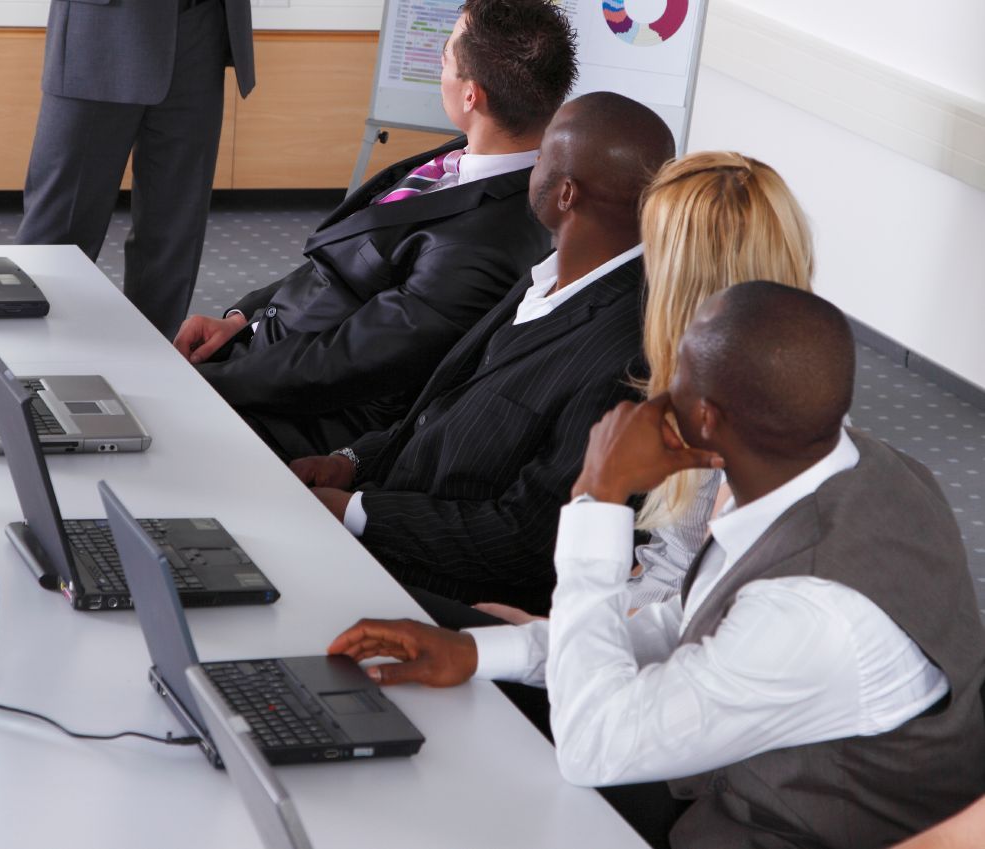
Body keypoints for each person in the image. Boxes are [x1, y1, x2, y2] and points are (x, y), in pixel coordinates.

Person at [329, 282, 985, 848]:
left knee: (447, 797)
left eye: (681, 370)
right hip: (732, 773)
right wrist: (481, 650)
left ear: (704, 419)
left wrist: (598, 495)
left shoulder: (809, 611)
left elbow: (594, 747)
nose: (661, 386)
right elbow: (687, 624)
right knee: (451, 678)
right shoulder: (845, 467)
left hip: (757, 827)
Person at [292, 92, 676, 615]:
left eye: (542, 156)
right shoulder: (553, 273)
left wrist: (358, 512)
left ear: (566, 193)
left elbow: (529, 537)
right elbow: (444, 412)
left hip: (444, 597)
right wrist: (351, 461)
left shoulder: (626, 353)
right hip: (385, 520)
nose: (532, 166)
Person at [173, 0, 576, 460]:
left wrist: (203, 382)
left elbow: (346, 362)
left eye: (445, 56)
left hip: (313, 415)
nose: (440, 64)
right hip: (268, 353)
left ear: (471, 96)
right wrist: (241, 319)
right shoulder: (473, 155)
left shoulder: (482, 244)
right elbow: (339, 260)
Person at [478, 151, 815, 625]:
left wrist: (544, 633)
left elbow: (698, 616)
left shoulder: (751, 421)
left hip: (644, 646)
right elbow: (668, 565)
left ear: (681, 273)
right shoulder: (756, 365)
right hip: (629, 616)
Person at [16, 0, 254, 339]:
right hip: (104, 24)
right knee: (60, 223)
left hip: (201, 22)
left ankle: (153, 353)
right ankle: (25, 353)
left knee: (175, 229)